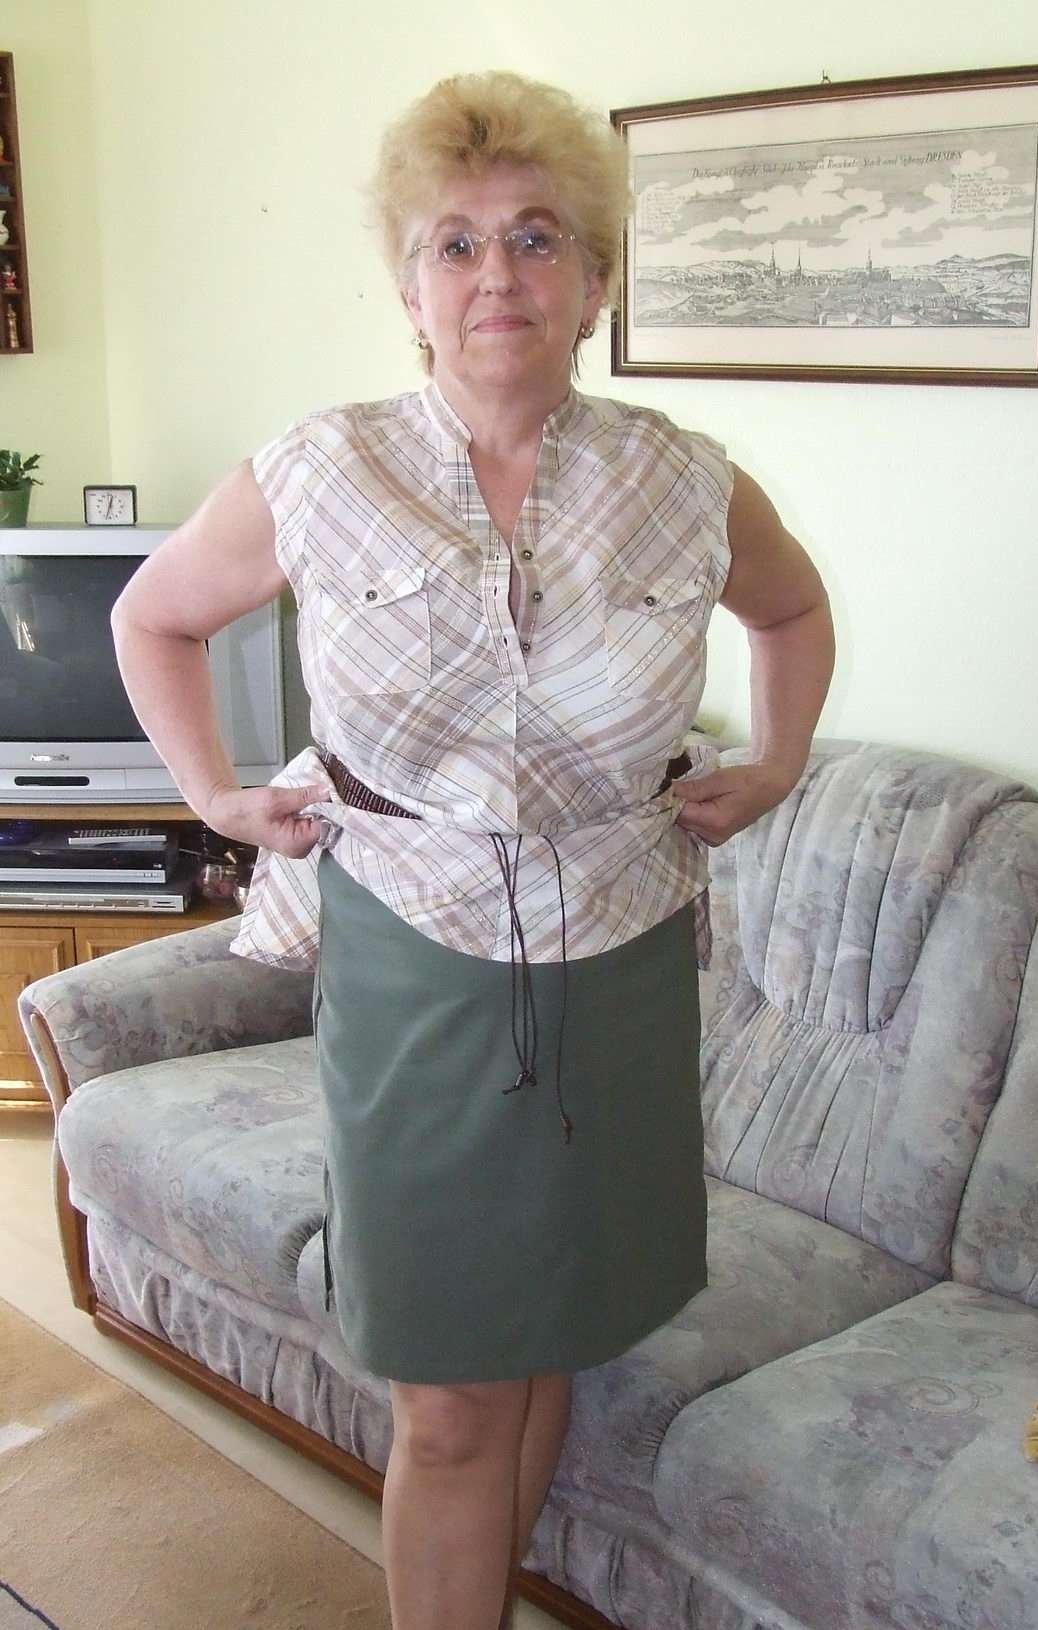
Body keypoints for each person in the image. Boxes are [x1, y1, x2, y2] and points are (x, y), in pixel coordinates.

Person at [110, 69, 834, 1630]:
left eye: (536, 237)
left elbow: (791, 609)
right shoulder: (321, 471)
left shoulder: (684, 480)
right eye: (455, 243)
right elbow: (152, 616)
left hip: (619, 961)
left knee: (548, 1332)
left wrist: (775, 760)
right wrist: (215, 794)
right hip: (412, 962)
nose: (496, 273)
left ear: (594, 283)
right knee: (446, 1400)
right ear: (409, 289)